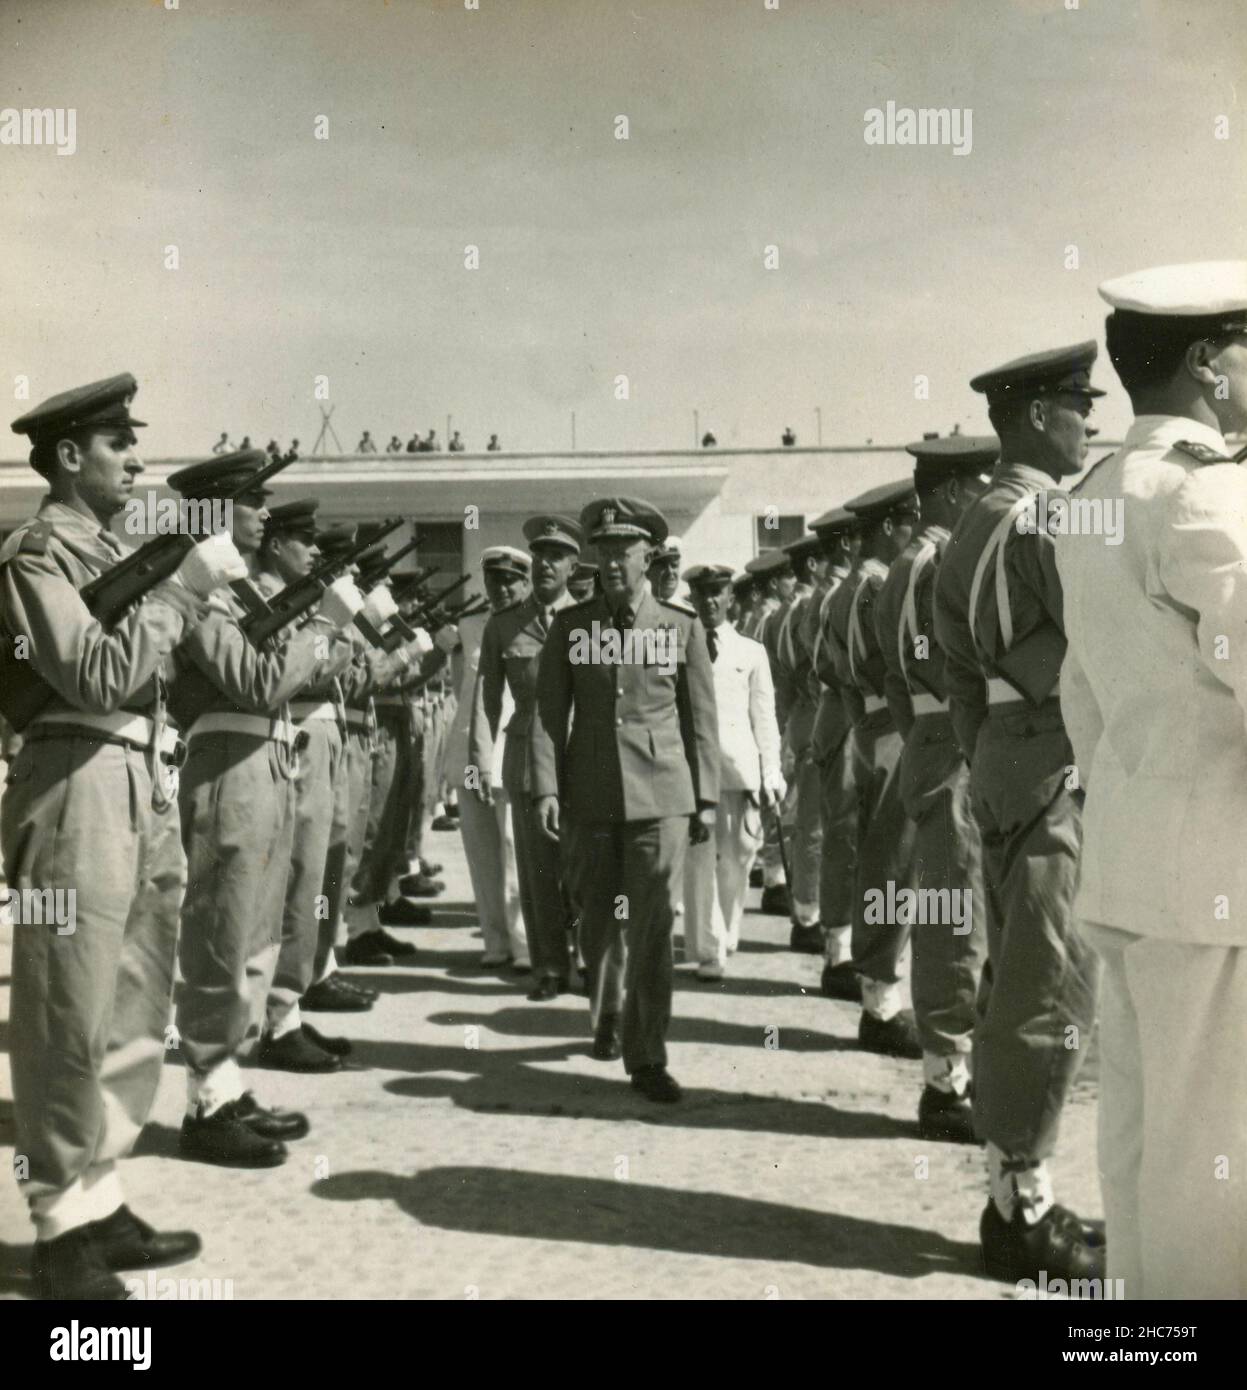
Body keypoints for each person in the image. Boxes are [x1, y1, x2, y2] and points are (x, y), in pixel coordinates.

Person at [3, 374, 230, 1299]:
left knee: (136, 992)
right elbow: (94, 673)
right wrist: (175, 599)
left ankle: (102, 1189)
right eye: (117, 446)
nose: (137, 461)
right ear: (68, 456)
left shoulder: (111, 551)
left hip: (141, 774)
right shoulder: (36, 555)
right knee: (68, 1002)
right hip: (73, 782)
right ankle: (59, 1221)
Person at [1058, 261, 1247, 1298]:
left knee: (1138, 1158)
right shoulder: (1202, 493)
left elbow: (1076, 696)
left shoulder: (1088, 496)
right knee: (1214, 1174)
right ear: (1204, 366)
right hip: (1216, 885)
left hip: (1131, 866)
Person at [933, 341, 1105, 1284]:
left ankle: (1017, 1185)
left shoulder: (972, 522)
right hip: (1052, 767)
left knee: (1020, 977)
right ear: (1038, 415)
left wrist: (992, 754)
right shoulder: (1042, 518)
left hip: (1007, 762)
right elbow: (1098, 647)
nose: (1090, 418)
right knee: (1049, 987)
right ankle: (1019, 1211)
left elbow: (961, 680)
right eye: (1079, 404)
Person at [168, 452, 360, 1168]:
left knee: (256, 934)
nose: (261, 514)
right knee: (221, 934)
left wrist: (315, 642)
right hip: (226, 763)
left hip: (270, 762)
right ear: (213, 513)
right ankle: (204, 1103)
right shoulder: (197, 590)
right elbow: (258, 680)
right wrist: (318, 636)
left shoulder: (242, 591)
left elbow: (291, 671)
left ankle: (226, 1079)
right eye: (249, 502)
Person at [532, 496, 719, 1102]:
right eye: (605, 551)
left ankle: (647, 1054)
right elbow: (547, 717)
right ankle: (606, 1012)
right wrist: (547, 788)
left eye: (626, 552)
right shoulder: (571, 627)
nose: (614, 563)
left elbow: (699, 720)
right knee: (598, 920)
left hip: (661, 796)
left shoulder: (680, 626)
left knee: (653, 926)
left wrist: (706, 797)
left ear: (649, 558)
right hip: (589, 797)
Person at [875, 436, 996, 1142]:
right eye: (976, 483)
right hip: (952, 744)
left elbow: (892, 680)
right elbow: (956, 668)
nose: (984, 493)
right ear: (950, 491)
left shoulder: (903, 563)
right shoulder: (937, 561)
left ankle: (951, 1069)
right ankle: (946, 1084)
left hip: (930, 742)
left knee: (949, 906)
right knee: (956, 915)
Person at [824, 478, 921, 1058]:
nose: (915, 527)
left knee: (884, 860)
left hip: (873, 727)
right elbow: (891, 666)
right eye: (908, 520)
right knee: (894, 866)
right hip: (892, 728)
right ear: (887, 527)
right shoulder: (874, 586)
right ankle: (881, 1006)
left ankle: (882, 993)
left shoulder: (851, 588)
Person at [472, 521, 582, 999]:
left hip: (583, 753)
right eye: (539, 555)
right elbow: (485, 701)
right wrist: (478, 760)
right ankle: (550, 968)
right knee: (537, 871)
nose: (545, 563)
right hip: (524, 756)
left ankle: (590, 960)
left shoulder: (592, 620)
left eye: (556, 556)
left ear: (573, 567)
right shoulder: (504, 624)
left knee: (584, 867)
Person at [681, 564, 782, 979]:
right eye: (701, 593)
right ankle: (709, 947)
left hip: (739, 771)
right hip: (693, 772)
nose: (709, 600)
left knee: (738, 859)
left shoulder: (750, 651)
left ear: (730, 600)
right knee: (700, 859)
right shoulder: (678, 647)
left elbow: (764, 715)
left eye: (717, 593)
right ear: (692, 599)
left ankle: (726, 930)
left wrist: (771, 770)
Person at [445, 548, 528, 968]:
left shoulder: (534, 627)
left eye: (510, 580)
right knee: (481, 853)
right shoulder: (468, 627)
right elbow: (461, 694)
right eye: (494, 580)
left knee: (515, 849)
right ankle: (495, 943)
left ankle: (524, 947)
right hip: (469, 751)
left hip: (510, 750)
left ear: (526, 583)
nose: (501, 589)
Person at [805, 507, 863, 1000]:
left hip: (839, 717)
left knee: (846, 838)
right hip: (845, 717)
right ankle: (839, 952)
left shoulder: (829, 594)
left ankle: (843, 946)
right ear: (846, 547)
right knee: (844, 839)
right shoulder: (835, 595)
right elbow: (832, 666)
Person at [773, 533, 828, 952]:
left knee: (809, 819)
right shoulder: (807, 608)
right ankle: (808, 912)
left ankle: (809, 907)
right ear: (814, 566)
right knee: (815, 823)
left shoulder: (786, 613)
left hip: (804, 715)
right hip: (820, 712)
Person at [742, 549, 795, 915]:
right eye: (789, 578)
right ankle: (776, 881)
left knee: (769, 802)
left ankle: (772, 873)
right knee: (779, 803)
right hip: (776, 712)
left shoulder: (752, 621)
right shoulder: (772, 619)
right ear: (776, 583)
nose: (795, 584)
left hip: (764, 714)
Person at [645, 536, 682, 601]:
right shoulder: (639, 605)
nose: (670, 571)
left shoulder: (684, 610)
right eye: (663, 566)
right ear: (648, 572)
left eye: (674, 566)